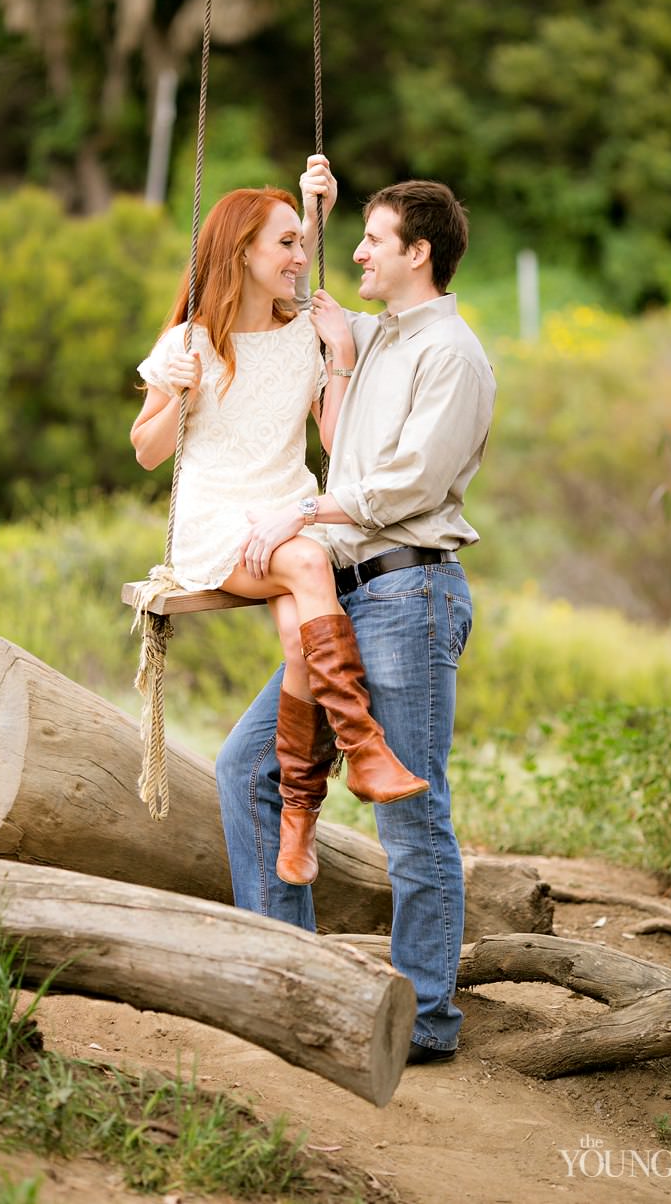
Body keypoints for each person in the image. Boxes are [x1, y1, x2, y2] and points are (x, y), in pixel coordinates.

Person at [216, 155, 496, 1065]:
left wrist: (300, 509)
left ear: (418, 253)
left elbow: (404, 484)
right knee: (248, 769)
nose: (360, 257)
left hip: (412, 592)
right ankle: (285, 979)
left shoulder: (453, 354)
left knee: (413, 818)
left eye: (374, 242)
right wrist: (314, 207)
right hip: (345, 594)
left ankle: (425, 1025)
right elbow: (339, 441)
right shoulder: (375, 339)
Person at [130, 178, 429, 888]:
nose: (301, 255)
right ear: (243, 253)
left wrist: (339, 357)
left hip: (288, 512)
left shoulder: (306, 336)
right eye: (287, 243)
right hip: (218, 523)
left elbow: (336, 442)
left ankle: (299, 818)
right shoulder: (189, 341)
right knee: (305, 563)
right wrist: (181, 391)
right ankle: (362, 747)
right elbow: (146, 450)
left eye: (303, 239)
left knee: (301, 637)